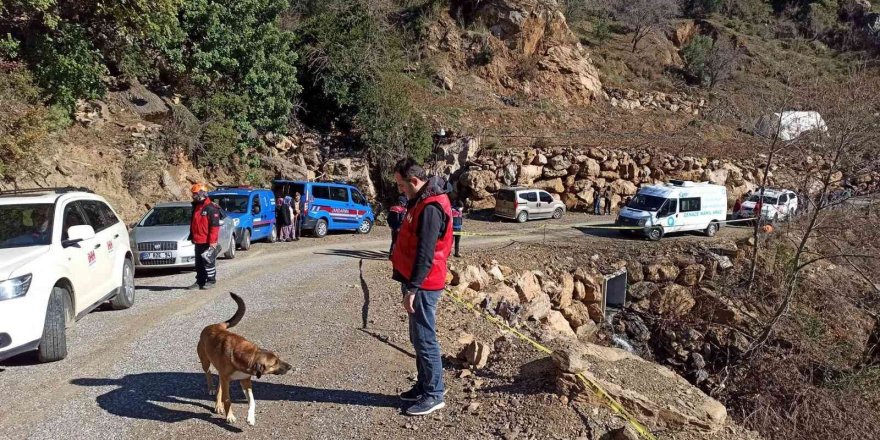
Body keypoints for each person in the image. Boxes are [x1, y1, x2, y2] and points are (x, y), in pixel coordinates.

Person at [390, 158, 453, 417]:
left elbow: (426, 254)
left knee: (425, 339)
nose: (400, 190)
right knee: (417, 338)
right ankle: (424, 384)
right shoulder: (420, 199)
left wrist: (413, 288)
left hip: (424, 285)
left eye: (401, 185)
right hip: (416, 282)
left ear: (414, 181)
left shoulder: (430, 207)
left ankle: (434, 394)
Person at [188, 183, 221, 290]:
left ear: (202, 193)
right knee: (199, 264)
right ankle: (200, 281)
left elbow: (214, 227)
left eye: (195, 193)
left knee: (208, 262)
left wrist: (212, 242)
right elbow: (194, 224)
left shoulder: (211, 208)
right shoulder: (196, 207)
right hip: (198, 240)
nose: (193, 196)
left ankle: (211, 281)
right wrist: (192, 237)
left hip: (207, 241)